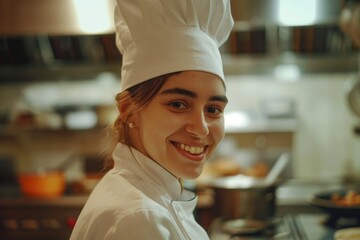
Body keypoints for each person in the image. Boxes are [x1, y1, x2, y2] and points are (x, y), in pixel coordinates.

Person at [70, 0, 233, 239]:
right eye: (178, 104)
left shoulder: (151, 194)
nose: (201, 129)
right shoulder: (140, 218)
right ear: (128, 110)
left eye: (213, 109)